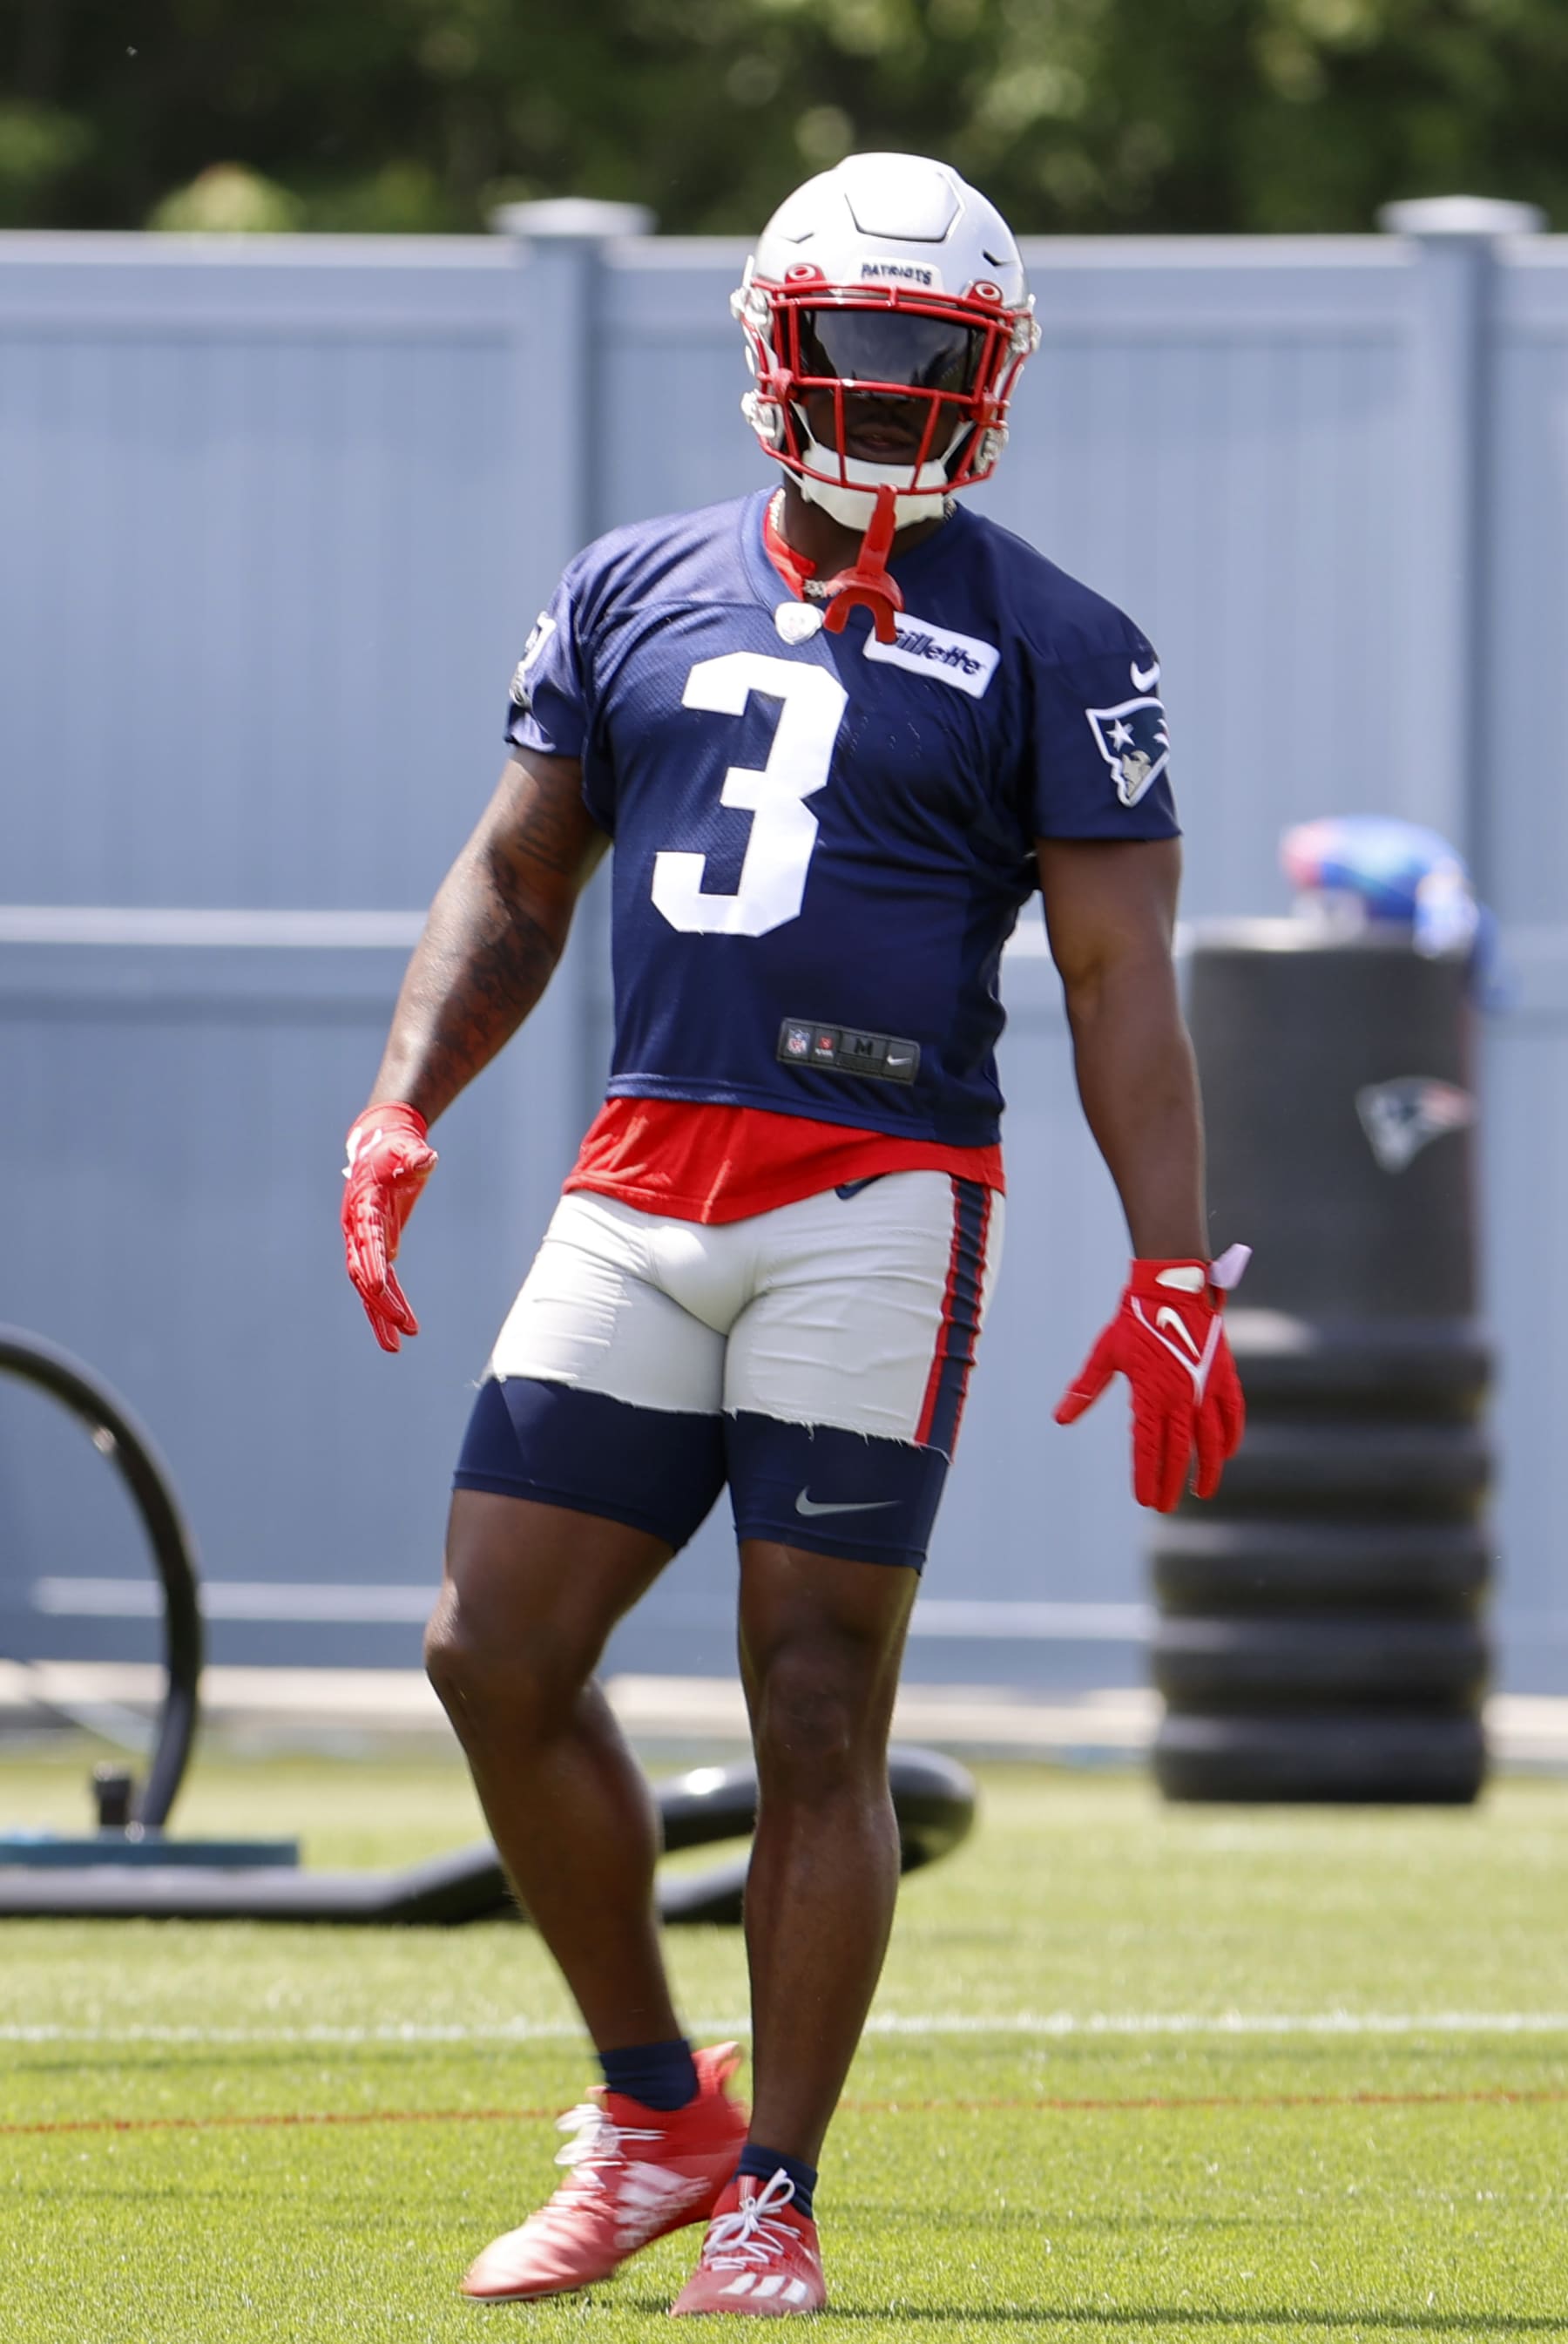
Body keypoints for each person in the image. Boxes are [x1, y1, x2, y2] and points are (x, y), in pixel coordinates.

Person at [341, 151, 1245, 2319]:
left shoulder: (1060, 636)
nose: (895, 381)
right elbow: (513, 874)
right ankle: (655, 2106)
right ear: (775, 340)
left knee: (819, 1703)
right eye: (860, 338)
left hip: (880, 1193)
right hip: (645, 1180)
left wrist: (1178, 1263)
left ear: (995, 368)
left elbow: (1124, 975)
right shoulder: (633, 583)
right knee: (489, 1649)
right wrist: (403, 1100)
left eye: (936, 349)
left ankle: (778, 2196)